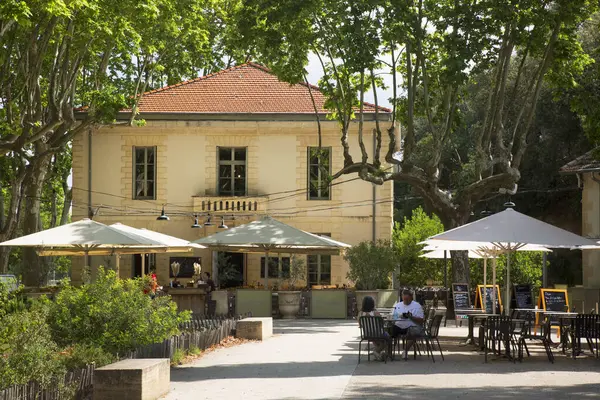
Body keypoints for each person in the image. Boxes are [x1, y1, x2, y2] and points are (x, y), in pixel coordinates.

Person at [391, 289, 425, 360]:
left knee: (415, 332)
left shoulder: (417, 306)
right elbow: (393, 317)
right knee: (389, 331)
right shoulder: (397, 305)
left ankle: (405, 351)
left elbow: (421, 320)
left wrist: (410, 316)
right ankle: (388, 352)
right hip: (399, 325)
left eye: (407, 299)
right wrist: (399, 316)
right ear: (402, 297)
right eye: (404, 299)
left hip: (411, 326)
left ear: (411, 298)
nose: (405, 301)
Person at [358, 296, 389, 361]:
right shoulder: (376, 313)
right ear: (372, 304)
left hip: (367, 334)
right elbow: (382, 323)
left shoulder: (360, 314)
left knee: (377, 340)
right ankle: (378, 352)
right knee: (388, 337)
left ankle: (378, 354)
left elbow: (360, 324)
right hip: (378, 334)